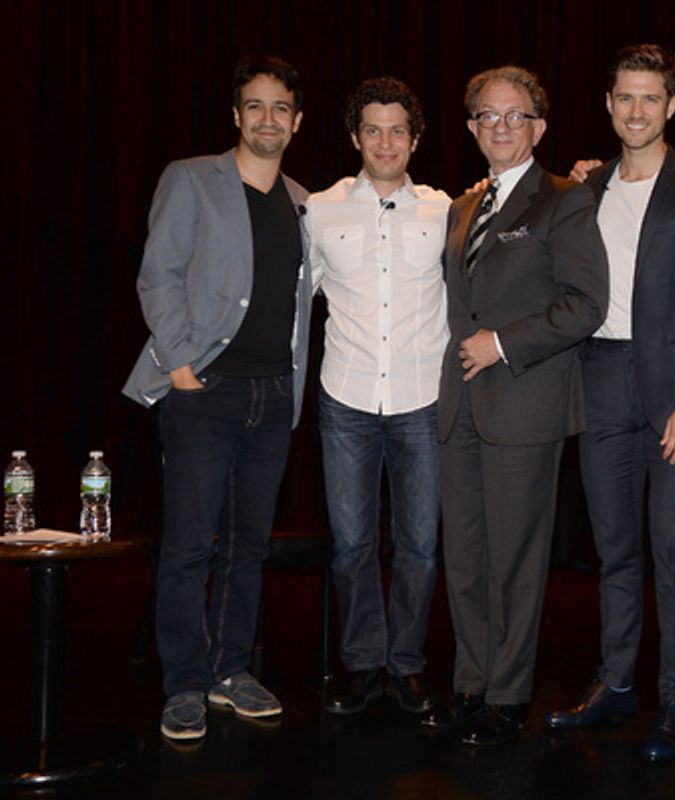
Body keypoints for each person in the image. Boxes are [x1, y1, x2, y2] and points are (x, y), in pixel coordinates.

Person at [543, 44, 675, 762]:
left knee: (673, 553)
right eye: (624, 97)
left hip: (674, 396)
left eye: (650, 98)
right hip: (599, 381)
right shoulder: (584, 190)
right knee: (614, 551)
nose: (636, 110)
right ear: (608, 104)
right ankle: (617, 683)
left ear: (672, 106)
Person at [123, 55, 311, 741]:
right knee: (188, 546)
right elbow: (157, 275)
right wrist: (179, 365)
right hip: (204, 388)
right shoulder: (192, 178)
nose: (267, 119)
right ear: (237, 116)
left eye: (280, 108)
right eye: (254, 107)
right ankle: (184, 683)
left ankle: (232, 669)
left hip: (272, 393)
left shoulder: (302, 200)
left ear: (297, 120)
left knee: (247, 546)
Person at [424, 65, 608, 747]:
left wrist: (503, 343)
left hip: (525, 403)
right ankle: (471, 684)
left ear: (539, 126)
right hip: (461, 407)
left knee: (515, 561)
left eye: (515, 115)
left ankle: (508, 695)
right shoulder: (462, 207)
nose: (501, 127)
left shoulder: (565, 200)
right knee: (465, 558)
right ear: (472, 127)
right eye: (487, 116)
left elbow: (587, 305)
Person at [305, 77, 448, 716]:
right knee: (352, 543)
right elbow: (293, 299)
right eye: (373, 130)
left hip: (422, 399)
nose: (385, 142)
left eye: (398, 130)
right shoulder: (320, 208)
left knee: (419, 544)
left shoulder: (448, 210)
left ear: (415, 138)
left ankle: (408, 664)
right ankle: (364, 664)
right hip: (345, 398)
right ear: (354, 137)